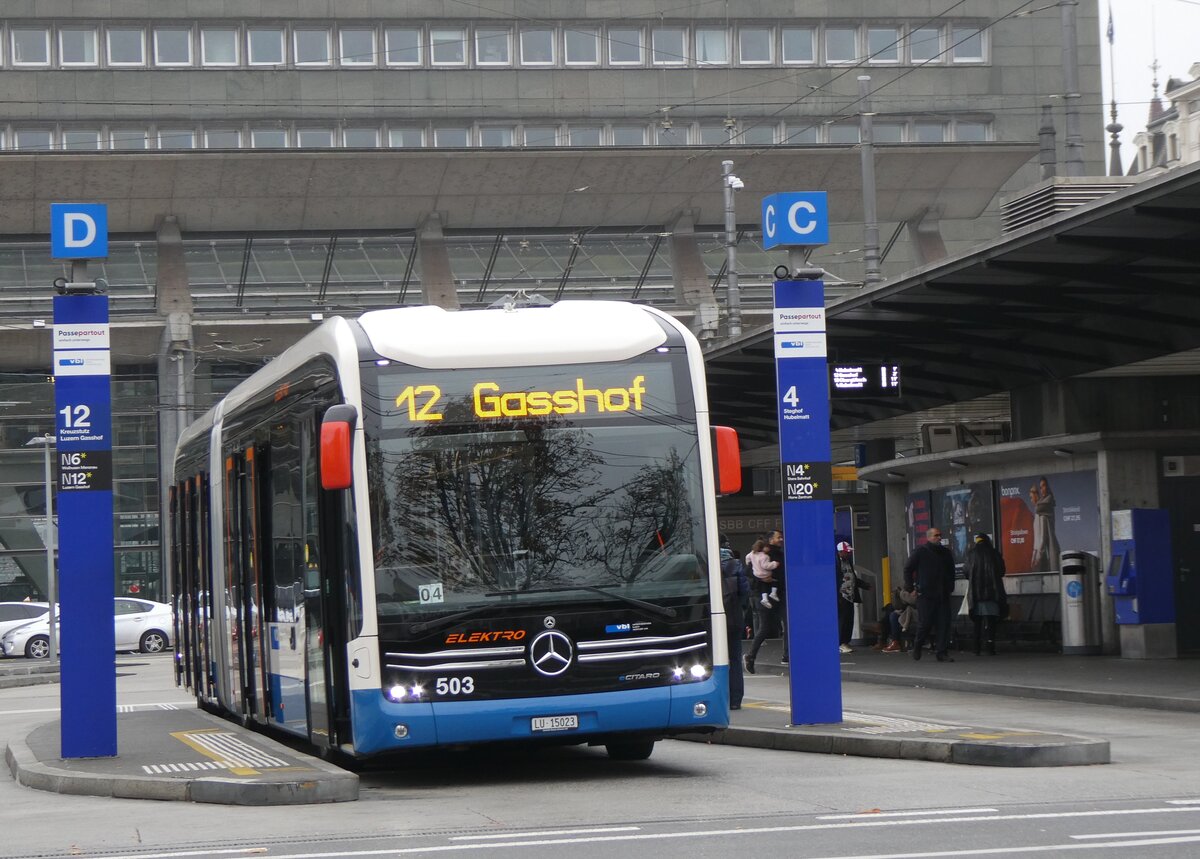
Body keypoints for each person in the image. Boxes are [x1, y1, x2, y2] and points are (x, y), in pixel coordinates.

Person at [902, 526, 956, 662]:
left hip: (942, 594)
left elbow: (951, 571)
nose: (939, 537)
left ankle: (942, 652)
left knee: (943, 624)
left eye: (939, 535)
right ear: (929, 537)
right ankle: (917, 645)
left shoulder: (945, 553)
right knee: (924, 623)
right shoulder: (921, 552)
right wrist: (910, 588)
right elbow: (908, 569)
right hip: (926, 594)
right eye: (935, 535)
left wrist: (950, 586)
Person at [964, 532, 1008, 656]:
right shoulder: (994, 553)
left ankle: (976, 648)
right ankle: (990, 648)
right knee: (991, 621)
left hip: (976, 594)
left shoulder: (970, 554)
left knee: (977, 622)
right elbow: (1002, 571)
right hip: (992, 593)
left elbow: (966, 572)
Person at [719, 535, 749, 709]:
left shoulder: (705, 563)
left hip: (713, 620)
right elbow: (745, 593)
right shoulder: (736, 565)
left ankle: (719, 698)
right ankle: (736, 700)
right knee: (735, 660)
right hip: (734, 618)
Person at [836, 541, 870, 654]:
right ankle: (840, 642)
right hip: (841, 595)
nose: (848, 554)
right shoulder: (835, 563)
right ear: (840, 552)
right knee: (842, 620)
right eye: (846, 552)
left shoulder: (847, 562)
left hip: (850, 595)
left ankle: (845, 641)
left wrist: (864, 585)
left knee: (849, 619)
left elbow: (852, 577)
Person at [766, 529, 788, 666]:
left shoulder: (777, 553)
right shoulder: (769, 554)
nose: (781, 539)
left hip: (774, 593)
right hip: (775, 593)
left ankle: (787, 654)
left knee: (767, 626)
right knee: (783, 624)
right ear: (770, 539)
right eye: (778, 537)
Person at [1032, 477, 1061, 571]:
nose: (1042, 489)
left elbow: (1043, 538)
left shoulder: (1047, 506)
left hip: (1048, 551)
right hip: (1043, 553)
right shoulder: (1038, 516)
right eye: (1040, 487)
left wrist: (1037, 557)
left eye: (1044, 486)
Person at [745, 539, 779, 608]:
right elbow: (766, 566)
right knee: (775, 580)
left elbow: (747, 558)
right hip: (765, 573)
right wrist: (775, 563)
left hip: (756, 573)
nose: (769, 548)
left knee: (764, 586)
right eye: (767, 547)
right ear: (763, 548)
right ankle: (773, 593)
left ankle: (764, 598)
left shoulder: (752, 554)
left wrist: (748, 562)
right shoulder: (764, 556)